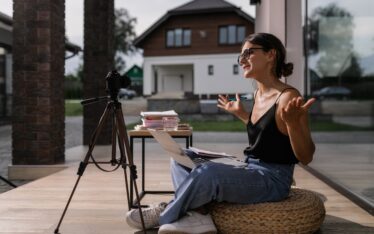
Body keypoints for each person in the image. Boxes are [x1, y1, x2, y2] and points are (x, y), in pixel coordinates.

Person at [126, 32, 316, 234]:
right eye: (240, 56)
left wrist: (294, 125)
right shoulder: (258, 94)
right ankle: (197, 215)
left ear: (271, 55)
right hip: (249, 167)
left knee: (209, 173)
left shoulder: (288, 97)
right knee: (182, 156)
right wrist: (243, 115)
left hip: (273, 179)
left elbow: (306, 156)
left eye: (248, 53)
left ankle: (166, 213)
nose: (242, 60)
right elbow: (269, 135)